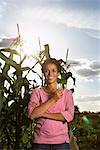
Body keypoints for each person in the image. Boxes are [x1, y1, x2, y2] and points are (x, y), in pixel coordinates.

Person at [28, 58, 74, 150]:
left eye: (54, 71)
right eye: (46, 71)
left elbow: (69, 116)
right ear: (43, 73)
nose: (50, 74)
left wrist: (42, 113)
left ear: (58, 73)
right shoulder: (36, 92)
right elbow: (32, 115)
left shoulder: (67, 93)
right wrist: (53, 99)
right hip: (40, 142)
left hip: (61, 143)